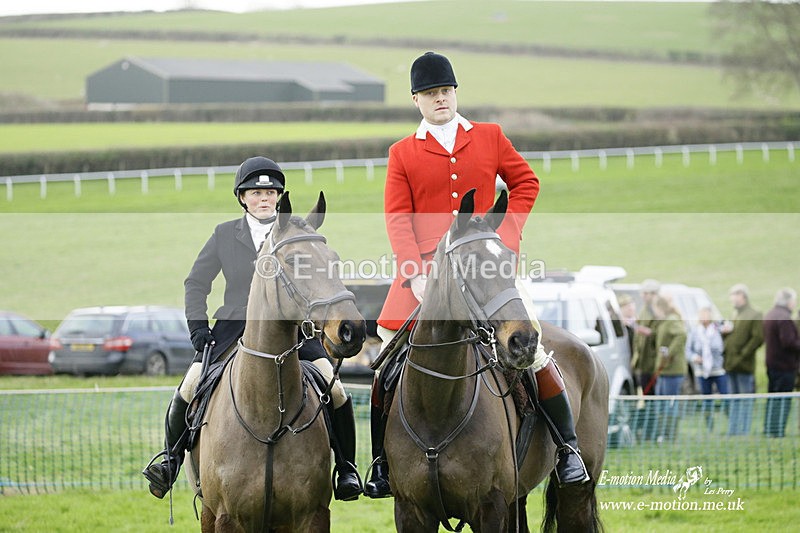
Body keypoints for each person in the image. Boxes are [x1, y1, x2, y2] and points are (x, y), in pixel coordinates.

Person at [364, 51, 590, 498]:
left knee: (534, 349)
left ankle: (566, 450)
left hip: (488, 267)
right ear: (417, 100)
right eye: (430, 94)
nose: (440, 99)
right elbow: (397, 217)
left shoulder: (489, 136)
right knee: (386, 361)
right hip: (426, 275)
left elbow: (527, 182)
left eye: (445, 91)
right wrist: (414, 273)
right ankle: (381, 465)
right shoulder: (402, 153)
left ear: (455, 93)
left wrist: (503, 238)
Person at [142, 156, 363, 501]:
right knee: (189, 385)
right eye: (256, 192)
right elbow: (196, 283)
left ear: (279, 197)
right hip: (233, 331)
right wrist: (199, 331)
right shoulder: (224, 234)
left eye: (272, 191)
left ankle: (346, 469)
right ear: (242, 197)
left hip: (294, 332)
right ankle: (169, 460)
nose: (264, 197)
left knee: (336, 391)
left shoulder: (296, 234)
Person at [721, 283, 764, 436]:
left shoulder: (755, 314)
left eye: (735, 297)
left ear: (743, 297)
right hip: (730, 363)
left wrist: (743, 354)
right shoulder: (734, 314)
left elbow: (757, 338)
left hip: (744, 364)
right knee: (734, 398)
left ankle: (744, 431)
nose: (732, 300)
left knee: (745, 398)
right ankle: (733, 430)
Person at [763, 288, 800, 438]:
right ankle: (777, 430)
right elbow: (789, 342)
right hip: (784, 365)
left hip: (772, 363)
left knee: (773, 398)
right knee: (783, 400)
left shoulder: (771, 314)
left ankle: (769, 428)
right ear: (789, 301)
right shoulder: (784, 318)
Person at [685, 307, 729, 431]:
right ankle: (710, 426)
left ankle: (731, 424)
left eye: (706, 314)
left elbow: (728, 328)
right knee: (706, 398)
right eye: (702, 314)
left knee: (725, 396)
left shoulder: (717, 329)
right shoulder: (694, 332)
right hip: (702, 371)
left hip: (718, 369)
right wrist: (695, 358)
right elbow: (688, 351)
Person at [651, 295, 687, 442]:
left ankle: (670, 435)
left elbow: (682, 335)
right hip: (663, 370)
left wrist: (670, 353)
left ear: (660, 307)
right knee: (661, 404)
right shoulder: (664, 321)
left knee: (669, 405)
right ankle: (663, 433)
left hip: (673, 371)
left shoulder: (672, 319)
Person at [631, 279, 660, 440]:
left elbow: (659, 334)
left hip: (653, 363)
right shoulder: (644, 310)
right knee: (647, 399)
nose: (644, 296)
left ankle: (654, 432)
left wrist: (646, 331)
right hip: (643, 364)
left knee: (654, 400)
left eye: (647, 293)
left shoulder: (657, 312)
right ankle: (649, 432)